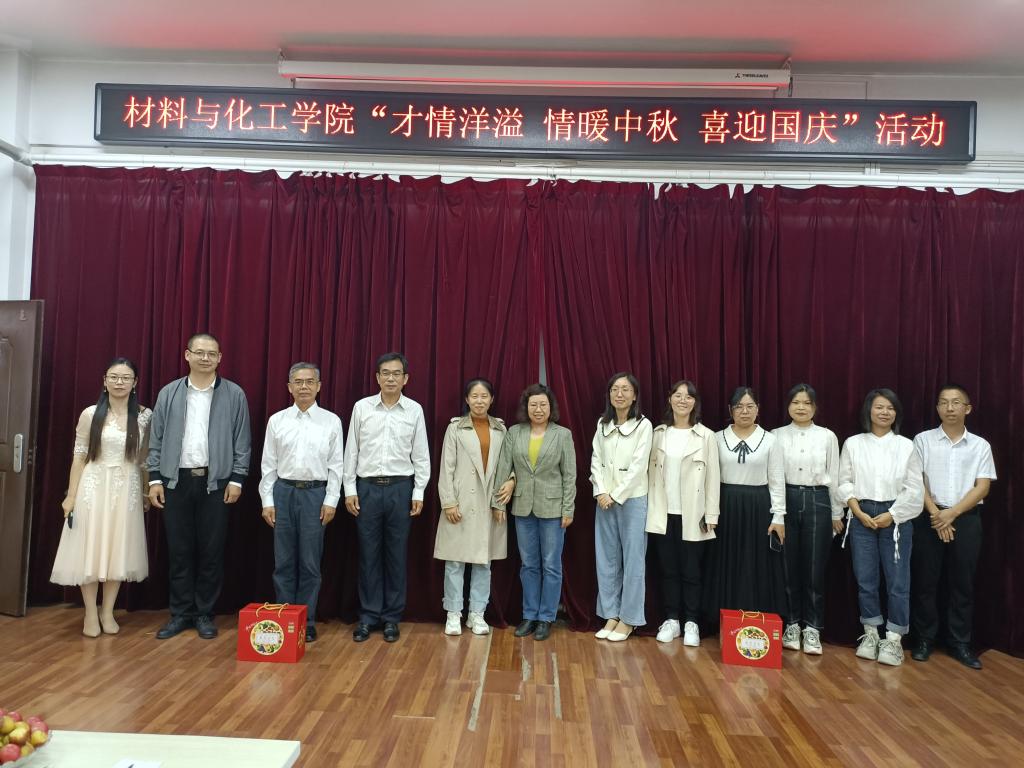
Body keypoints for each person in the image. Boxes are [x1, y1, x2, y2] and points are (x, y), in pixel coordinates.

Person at [147, 333, 251, 640]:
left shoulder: (234, 394)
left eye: (211, 353)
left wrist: (237, 478)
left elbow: (242, 440)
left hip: (216, 483)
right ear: (187, 355)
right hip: (175, 481)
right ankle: (181, 613)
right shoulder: (169, 393)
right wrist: (155, 478)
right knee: (179, 551)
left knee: (211, 551)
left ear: (220, 358)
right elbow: (156, 438)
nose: (205, 358)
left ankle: (204, 613)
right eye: (199, 352)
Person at [51, 358, 151, 637]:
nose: (120, 382)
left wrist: (145, 492)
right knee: (91, 550)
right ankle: (90, 613)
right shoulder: (90, 414)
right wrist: (71, 496)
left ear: (135, 383)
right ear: (104, 380)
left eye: (126, 378)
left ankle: (108, 611)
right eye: (114, 377)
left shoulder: (144, 416)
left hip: (127, 487)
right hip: (93, 487)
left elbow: (144, 460)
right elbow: (79, 456)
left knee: (117, 550)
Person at [344, 352, 430, 644]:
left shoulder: (414, 410)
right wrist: (350, 489)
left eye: (396, 374)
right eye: (385, 373)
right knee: (368, 555)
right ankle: (368, 616)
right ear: (377, 377)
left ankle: (392, 617)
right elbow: (351, 451)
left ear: (405, 379)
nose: (391, 378)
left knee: (396, 555)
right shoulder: (362, 408)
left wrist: (418, 491)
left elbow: (421, 455)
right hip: (367, 489)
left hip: (400, 489)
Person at [911, 384, 996, 670]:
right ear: (937, 408)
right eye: (944, 402)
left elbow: (982, 487)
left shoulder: (980, 445)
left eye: (956, 402)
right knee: (925, 582)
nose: (950, 407)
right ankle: (924, 639)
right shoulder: (922, 440)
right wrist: (937, 515)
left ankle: (959, 642)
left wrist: (952, 514)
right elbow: (916, 481)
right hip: (929, 516)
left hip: (966, 518)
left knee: (962, 583)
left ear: (967, 408)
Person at [258, 363, 344, 643]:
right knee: (283, 562)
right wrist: (267, 500)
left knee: (309, 562)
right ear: (289, 387)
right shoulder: (277, 421)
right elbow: (268, 464)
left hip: (315, 495)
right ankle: (285, 618)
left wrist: (331, 500)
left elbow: (336, 465)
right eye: (298, 382)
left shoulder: (331, 421)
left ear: (319, 386)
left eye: (309, 381)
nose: (304, 386)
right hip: (283, 492)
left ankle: (305, 621)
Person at [838, 388, 924, 667]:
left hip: (896, 516)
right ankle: (871, 633)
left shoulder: (906, 446)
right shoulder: (853, 443)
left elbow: (914, 489)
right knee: (866, 579)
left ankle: (894, 639)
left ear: (896, 413)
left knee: (898, 581)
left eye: (890, 408)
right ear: (869, 410)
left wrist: (893, 514)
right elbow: (844, 481)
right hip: (861, 514)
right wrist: (856, 510)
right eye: (879, 407)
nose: (884, 412)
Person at [492, 383, 576, 642]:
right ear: (526, 408)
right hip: (522, 507)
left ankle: (546, 617)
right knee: (529, 565)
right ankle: (529, 615)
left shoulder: (562, 435)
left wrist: (568, 508)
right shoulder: (514, 432)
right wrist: (498, 503)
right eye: (533, 405)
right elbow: (504, 467)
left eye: (543, 404)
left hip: (553, 509)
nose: (538, 409)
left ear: (551, 408)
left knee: (551, 565)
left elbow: (569, 475)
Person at [434, 378, 515, 636]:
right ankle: (453, 613)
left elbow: (510, 463)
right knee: (455, 562)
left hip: (489, 503)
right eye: (475, 396)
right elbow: (446, 467)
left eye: (484, 396)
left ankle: (477, 613)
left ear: (492, 400)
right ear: (467, 400)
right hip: (461, 503)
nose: (479, 401)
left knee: (483, 563)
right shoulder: (455, 428)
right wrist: (449, 502)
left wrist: (512, 481)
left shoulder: (501, 429)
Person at [772, 384, 844, 655]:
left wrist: (836, 513)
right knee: (787, 567)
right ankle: (791, 624)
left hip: (818, 500)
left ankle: (812, 628)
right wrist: (777, 511)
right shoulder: (776, 436)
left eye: (807, 403)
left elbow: (834, 475)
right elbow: (774, 477)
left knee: (814, 569)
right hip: (786, 499)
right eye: (796, 402)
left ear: (815, 407)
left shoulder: (827, 436)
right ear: (788, 405)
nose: (801, 407)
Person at [646, 380, 719, 647]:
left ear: (694, 402)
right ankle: (672, 619)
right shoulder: (658, 433)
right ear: (670, 399)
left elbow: (713, 477)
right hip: (663, 513)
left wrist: (712, 514)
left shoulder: (706, 436)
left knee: (691, 571)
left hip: (694, 514)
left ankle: (691, 622)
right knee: (668, 570)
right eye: (678, 395)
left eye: (688, 397)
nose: (682, 400)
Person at [705, 387, 787, 619]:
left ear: (758, 409)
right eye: (739, 407)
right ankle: (722, 617)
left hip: (758, 506)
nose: (744, 411)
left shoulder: (770, 440)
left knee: (754, 562)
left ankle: (755, 618)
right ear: (730, 410)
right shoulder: (716, 438)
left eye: (750, 406)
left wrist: (778, 516)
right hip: (725, 504)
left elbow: (776, 480)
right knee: (725, 559)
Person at [590, 372, 652, 642]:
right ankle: (611, 614)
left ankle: (629, 619)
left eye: (625, 389)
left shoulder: (644, 425)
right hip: (604, 500)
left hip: (632, 500)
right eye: (615, 389)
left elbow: (639, 466)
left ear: (634, 395)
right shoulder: (602, 424)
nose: (620, 394)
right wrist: (601, 491)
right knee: (607, 559)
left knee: (633, 560)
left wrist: (615, 495)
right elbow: (596, 459)